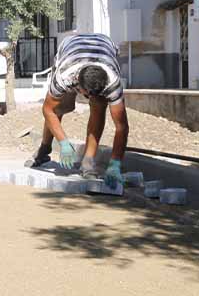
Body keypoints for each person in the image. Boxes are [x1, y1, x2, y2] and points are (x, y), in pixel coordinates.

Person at [27, 32, 130, 188]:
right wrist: (64, 143)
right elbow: (48, 110)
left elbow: (121, 127)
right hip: (70, 48)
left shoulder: (112, 82)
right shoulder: (65, 76)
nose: (89, 98)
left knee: (99, 106)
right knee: (60, 108)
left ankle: (88, 161)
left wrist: (115, 164)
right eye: (87, 94)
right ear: (78, 85)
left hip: (104, 48)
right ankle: (44, 148)